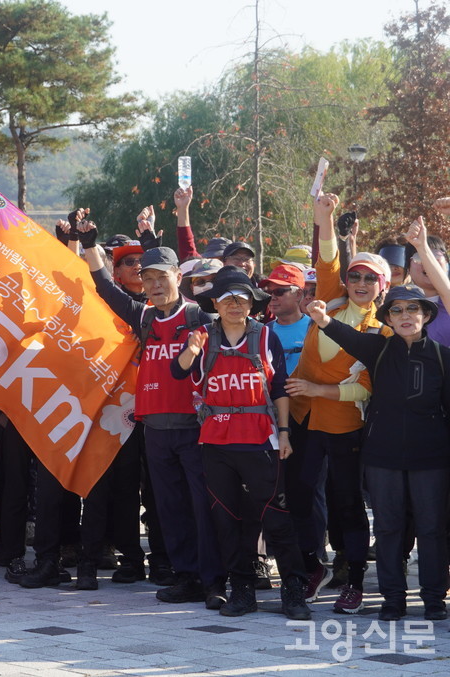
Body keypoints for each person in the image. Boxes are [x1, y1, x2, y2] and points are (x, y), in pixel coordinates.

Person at [80, 223, 226, 608]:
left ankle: (213, 581)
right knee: (170, 510)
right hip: (155, 431)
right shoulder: (144, 317)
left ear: (179, 277)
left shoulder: (202, 319)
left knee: (202, 507)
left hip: (194, 429)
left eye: (163, 276)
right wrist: (91, 245)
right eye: (149, 278)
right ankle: (186, 577)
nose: (156, 284)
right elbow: (106, 290)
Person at [305, 284, 450, 621]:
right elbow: (345, 336)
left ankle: (433, 599)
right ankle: (393, 599)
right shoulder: (379, 349)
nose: (405, 316)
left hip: (431, 460)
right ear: (389, 317)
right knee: (388, 528)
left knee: (432, 529)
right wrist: (323, 318)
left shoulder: (444, 358)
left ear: (426, 315)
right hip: (383, 457)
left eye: (412, 309)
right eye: (396, 310)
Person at [172, 268, 310, 619]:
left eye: (243, 298)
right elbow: (178, 371)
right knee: (228, 520)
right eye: (227, 298)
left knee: (276, 518)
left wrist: (284, 433)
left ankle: (293, 590)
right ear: (215, 303)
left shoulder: (266, 337)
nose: (235, 304)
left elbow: (278, 389)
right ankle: (242, 589)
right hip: (216, 444)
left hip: (261, 441)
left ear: (252, 303)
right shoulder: (201, 336)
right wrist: (190, 350)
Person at [284, 193, 377, 614]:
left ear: (382, 286)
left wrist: (321, 391)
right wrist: (324, 217)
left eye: (369, 280)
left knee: (347, 505)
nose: (359, 285)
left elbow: (366, 389)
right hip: (304, 420)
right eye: (355, 277)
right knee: (301, 497)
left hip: (344, 425)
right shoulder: (332, 299)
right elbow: (328, 262)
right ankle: (310, 568)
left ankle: (354, 579)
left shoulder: (383, 329)